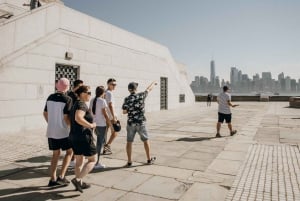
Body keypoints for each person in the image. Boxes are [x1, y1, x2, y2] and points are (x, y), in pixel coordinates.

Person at [43, 78, 73, 187]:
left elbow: (45, 113)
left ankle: (52, 179)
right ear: (67, 87)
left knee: (55, 154)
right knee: (69, 152)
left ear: (57, 86)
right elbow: (66, 117)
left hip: (51, 131)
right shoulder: (68, 99)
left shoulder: (50, 97)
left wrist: (51, 123)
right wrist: (71, 126)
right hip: (63, 132)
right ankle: (62, 176)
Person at [122, 81, 157, 167]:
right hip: (141, 122)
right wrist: (154, 83)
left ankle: (129, 161)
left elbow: (124, 111)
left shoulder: (126, 99)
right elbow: (149, 89)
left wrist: (131, 109)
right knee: (145, 140)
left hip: (131, 123)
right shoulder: (141, 95)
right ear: (136, 89)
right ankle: (149, 159)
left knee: (129, 142)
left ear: (129, 90)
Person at [69, 85, 97, 193]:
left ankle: (79, 184)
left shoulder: (75, 104)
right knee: (92, 160)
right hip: (83, 137)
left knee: (79, 161)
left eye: (90, 92)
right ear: (81, 94)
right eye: (88, 92)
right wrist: (91, 125)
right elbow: (78, 118)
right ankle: (78, 179)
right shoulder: (81, 104)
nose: (90, 94)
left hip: (74, 136)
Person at [90, 86, 114, 169]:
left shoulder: (92, 100)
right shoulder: (102, 101)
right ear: (103, 93)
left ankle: (92, 160)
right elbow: (105, 114)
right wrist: (110, 124)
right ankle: (96, 163)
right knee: (99, 144)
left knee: (95, 142)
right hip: (101, 125)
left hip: (94, 124)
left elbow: (90, 112)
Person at [67, 79, 83, 167]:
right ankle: (72, 159)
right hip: (72, 120)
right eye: (81, 86)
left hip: (74, 119)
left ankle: (73, 158)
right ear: (76, 86)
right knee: (73, 140)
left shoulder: (74, 94)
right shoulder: (71, 95)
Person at [103, 78, 118, 155]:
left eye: (115, 84)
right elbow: (110, 105)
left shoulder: (105, 92)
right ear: (108, 84)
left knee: (105, 132)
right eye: (112, 84)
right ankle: (107, 146)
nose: (114, 86)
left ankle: (105, 147)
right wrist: (113, 117)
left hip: (105, 116)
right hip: (110, 117)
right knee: (115, 132)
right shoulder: (109, 93)